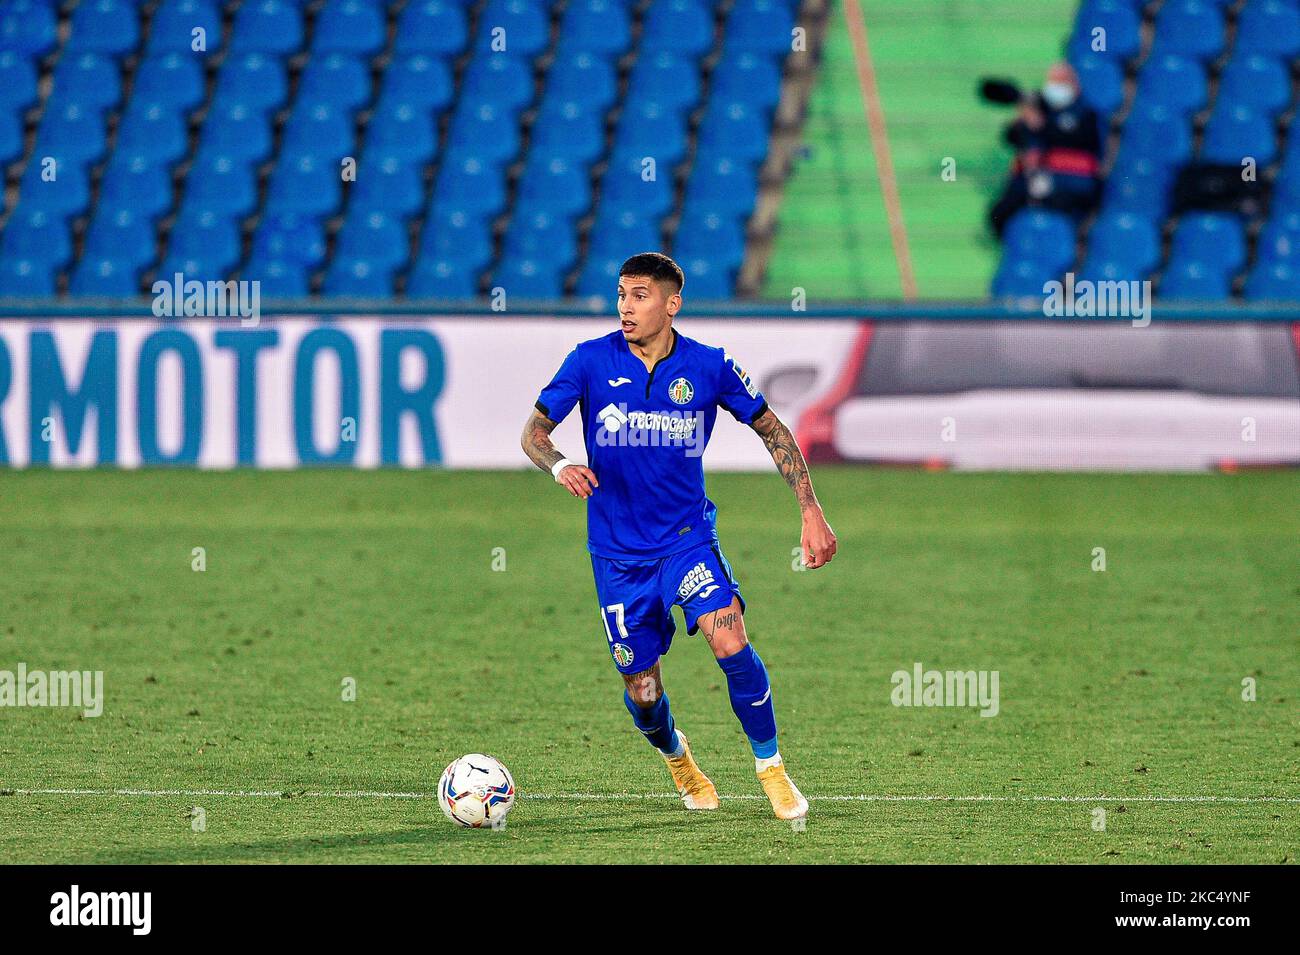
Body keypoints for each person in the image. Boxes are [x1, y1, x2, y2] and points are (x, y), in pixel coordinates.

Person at [520, 252, 837, 820]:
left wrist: (810, 509)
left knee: (729, 639)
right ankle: (678, 758)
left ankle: (771, 768)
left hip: (686, 540)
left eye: (640, 295)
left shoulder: (709, 365)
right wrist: (561, 462)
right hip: (617, 556)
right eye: (621, 294)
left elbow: (773, 429)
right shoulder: (590, 361)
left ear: (672, 303)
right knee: (642, 692)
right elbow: (534, 432)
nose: (625, 307)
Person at [989, 62, 1103, 237]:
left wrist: (1041, 126)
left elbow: (1078, 139)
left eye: (1061, 81)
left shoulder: (1086, 113)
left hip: (1070, 182)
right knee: (1001, 212)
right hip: (1033, 179)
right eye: (1053, 81)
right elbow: (1011, 137)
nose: (1056, 87)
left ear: (1074, 84)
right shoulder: (1040, 107)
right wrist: (1023, 122)